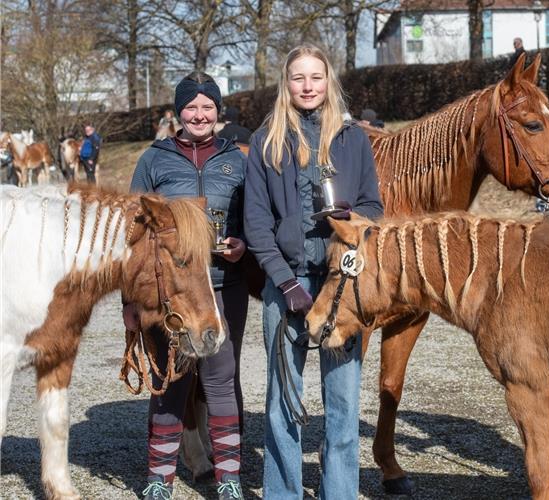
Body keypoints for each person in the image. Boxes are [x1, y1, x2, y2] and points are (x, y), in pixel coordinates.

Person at [243, 44, 383, 499]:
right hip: (287, 285)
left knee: (343, 400)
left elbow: (374, 209)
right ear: (287, 83)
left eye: (316, 77)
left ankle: (338, 492)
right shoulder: (266, 140)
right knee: (284, 400)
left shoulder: (353, 138)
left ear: (329, 82)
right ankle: (282, 492)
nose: (308, 86)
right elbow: (256, 223)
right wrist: (284, 283)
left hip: (340, 285)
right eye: (299, 77)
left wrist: (350, 217)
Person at [127, 71, 248, 500]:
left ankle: (229, 476)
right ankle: (160, 479)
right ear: (179, 112)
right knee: (171, 380)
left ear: (218, 112)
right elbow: (133, 234)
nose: (199, 115)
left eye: (207, 107)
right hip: (170, 293)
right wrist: (132, 305)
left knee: (221, 379)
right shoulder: (154, 160)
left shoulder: (237, 160)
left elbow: (252, 219)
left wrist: (242, 245)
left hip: (222, 285)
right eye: (191, 107)